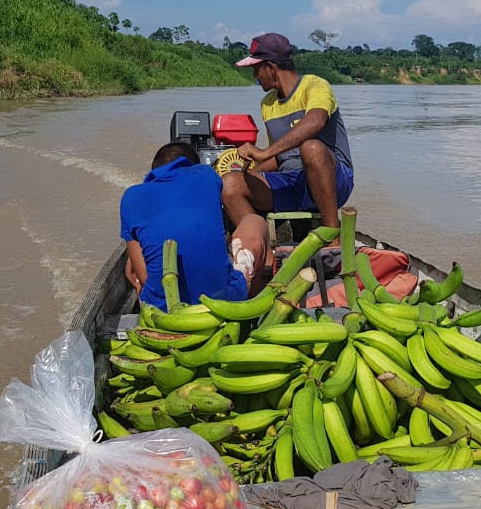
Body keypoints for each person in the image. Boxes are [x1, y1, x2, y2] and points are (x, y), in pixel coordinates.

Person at [222, 32, 354, 294]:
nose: (254, 76)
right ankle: (267, 261)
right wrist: (249, 169)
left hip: (332, 178)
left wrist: (263, 151)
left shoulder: (315, 86)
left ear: (270, 67)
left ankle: (332, 236)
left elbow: (315, 123)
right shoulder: (268, 103)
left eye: (256, 70)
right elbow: (278, 158)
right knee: (230, 184)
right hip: (292, 181)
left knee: (312, 148)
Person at [121, 143, 248, 310]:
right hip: (222, 302)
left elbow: (143, 276)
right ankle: (253, 307)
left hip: (163, 309)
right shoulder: (207, 175)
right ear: (192, 166)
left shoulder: (131, 197)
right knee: (255, 222)